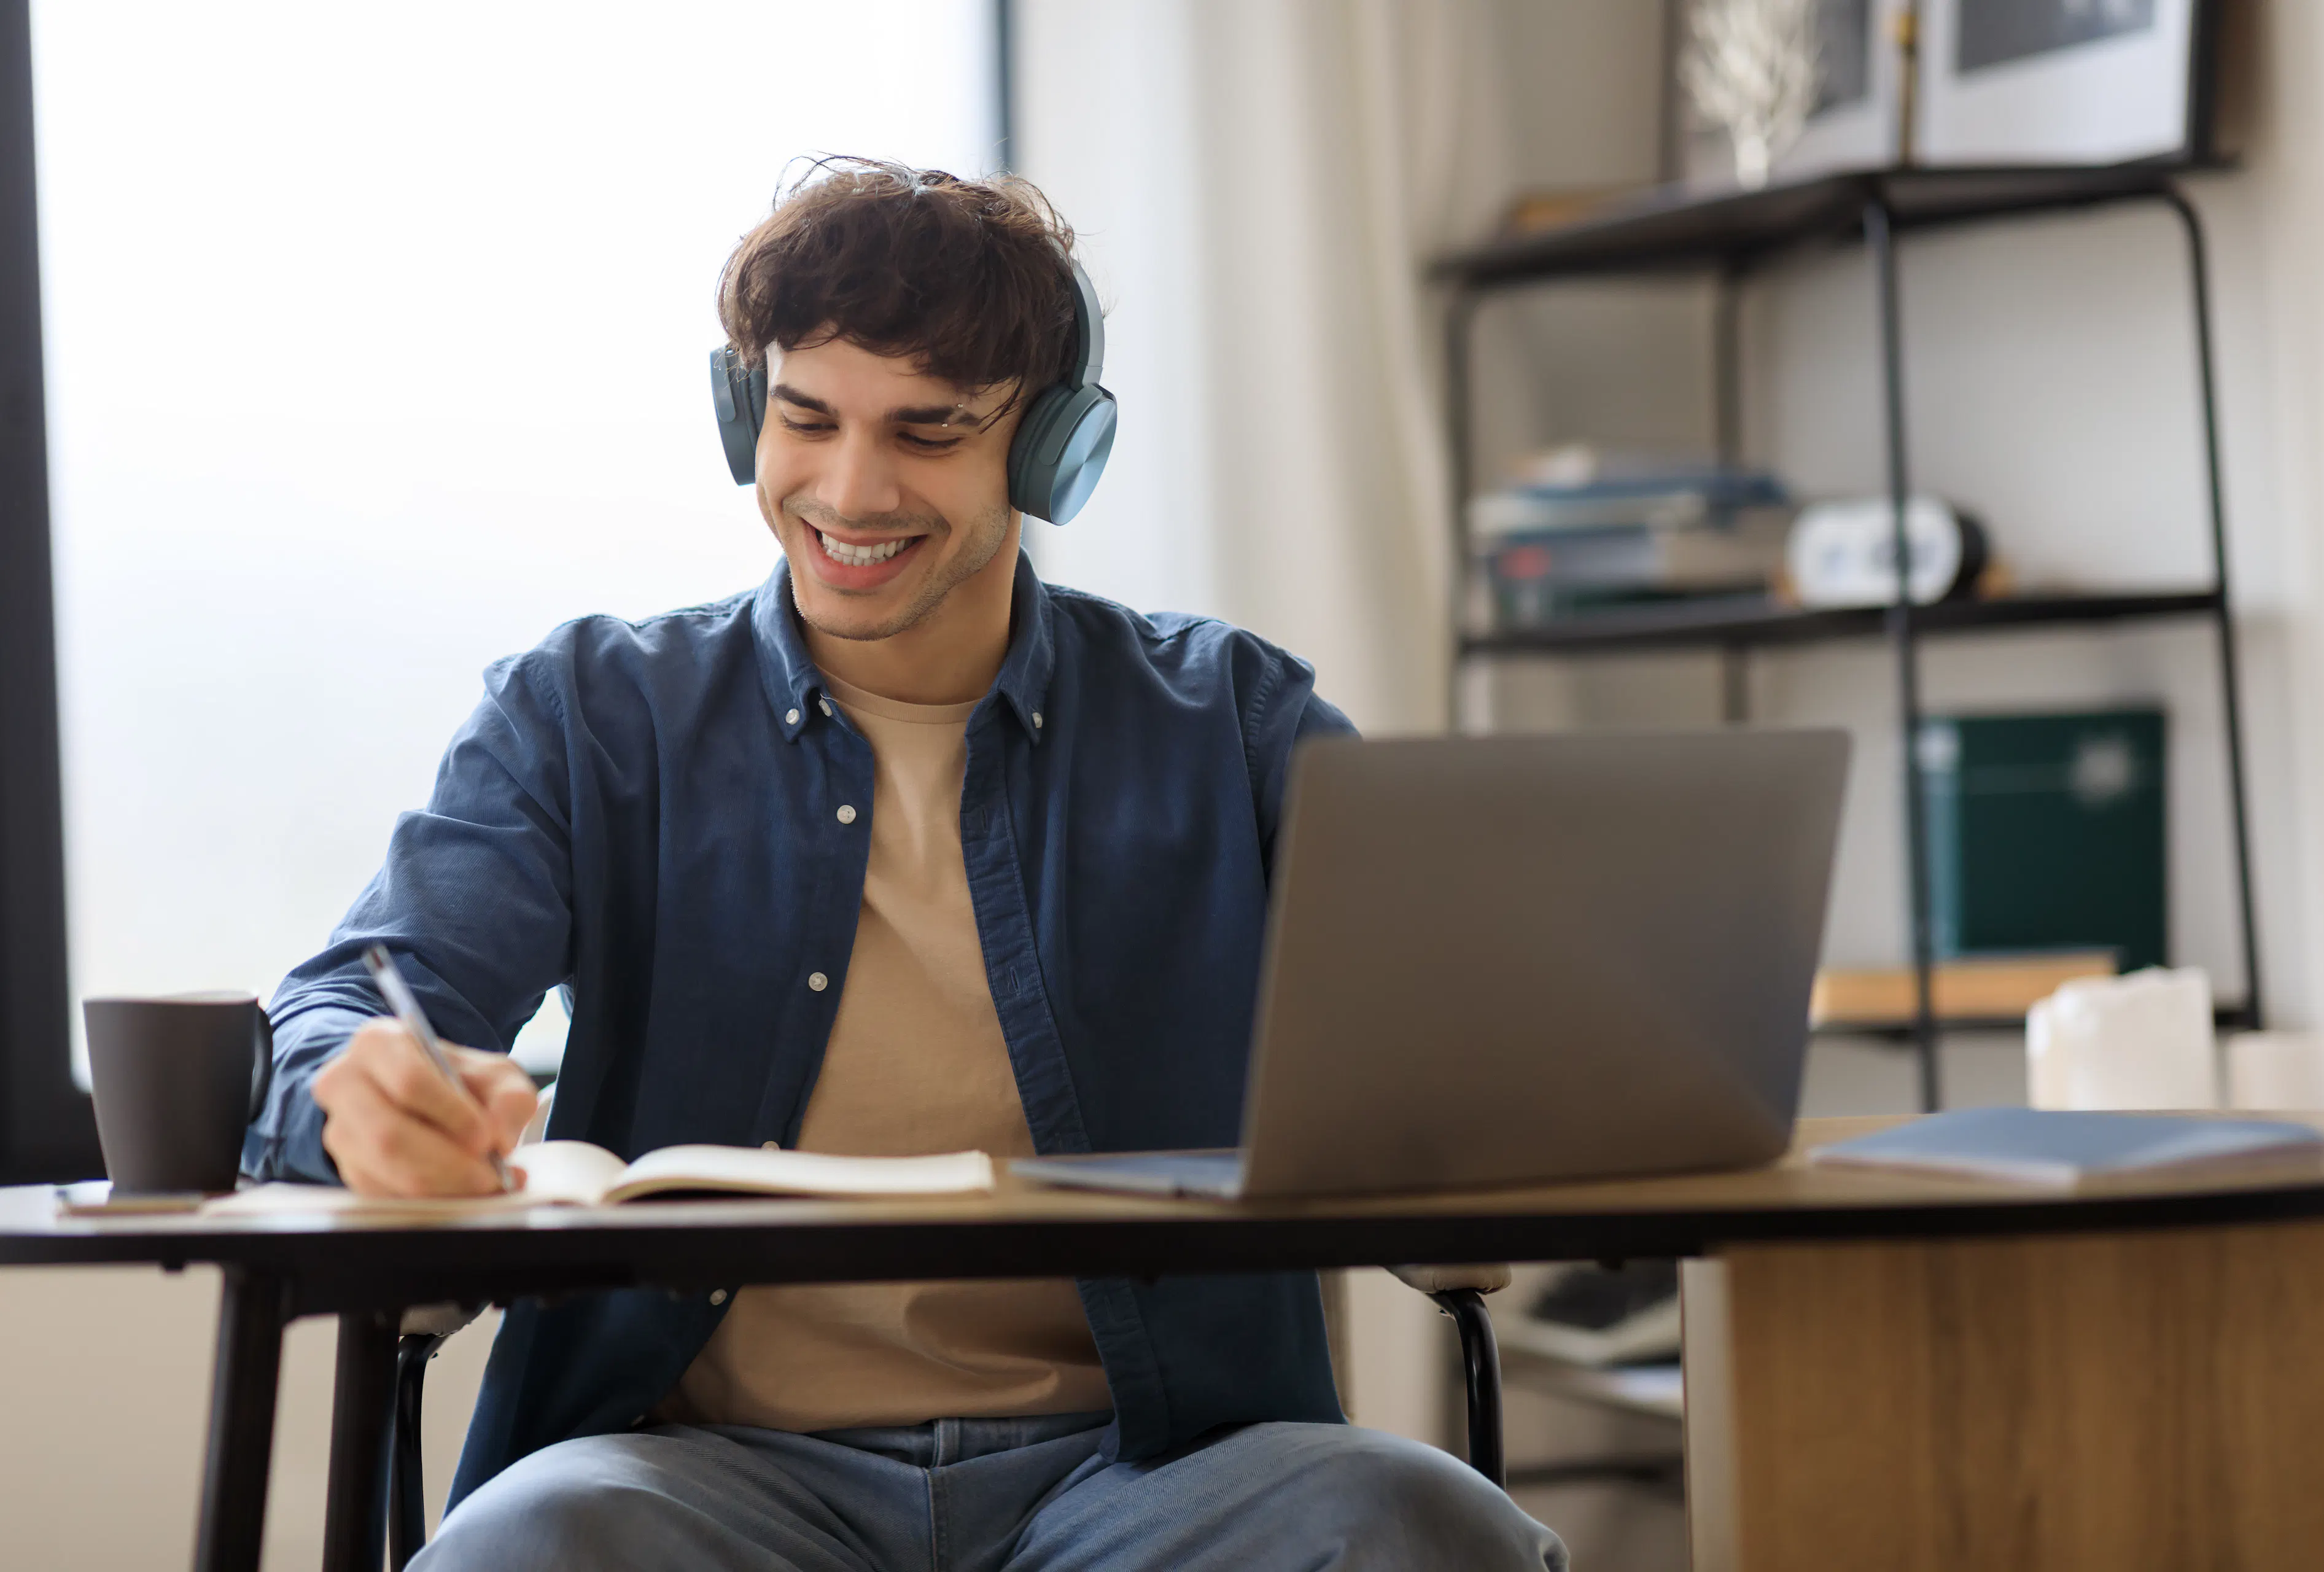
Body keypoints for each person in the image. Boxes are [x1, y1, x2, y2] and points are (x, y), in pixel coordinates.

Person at [246, 158, 1565, 1571]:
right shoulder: (587, 716)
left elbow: (1467, 1040)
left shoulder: (1231, 723)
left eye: (928, 433)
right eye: (806, 418)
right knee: (536, 1543)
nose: (850, 488)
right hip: (698, 1475)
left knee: (1411, 1526)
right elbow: (337, 1009)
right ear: (746, 410)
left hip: (1153, 1478)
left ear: (1055, 453)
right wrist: (359, 1094)